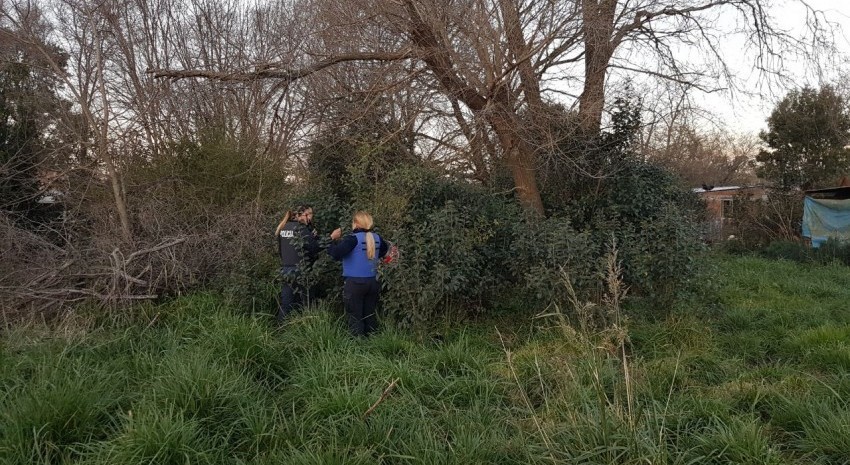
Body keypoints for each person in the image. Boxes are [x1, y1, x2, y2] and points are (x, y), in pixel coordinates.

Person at [327, 211, 389, 337]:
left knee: (355, 316)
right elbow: (383, 253)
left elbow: (335, 253)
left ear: (355, 223)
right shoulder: (377, 238)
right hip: (373, 281)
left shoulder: (352, 239)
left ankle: (357, 347)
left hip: (355, 283)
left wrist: (331, 239)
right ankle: (372, 342)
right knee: (369, 315)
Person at [274, 205, 319, 322]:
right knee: (306, 303)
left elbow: (280, 250)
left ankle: (281, 330)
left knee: (286, 303)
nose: (311, 217)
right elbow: (314, 248)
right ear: (302, 215)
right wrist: (320, 238)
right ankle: (307, 329)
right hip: (301, 270)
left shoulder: (283, 228)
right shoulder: (301, 229)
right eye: (309, 214)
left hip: (286, 270)